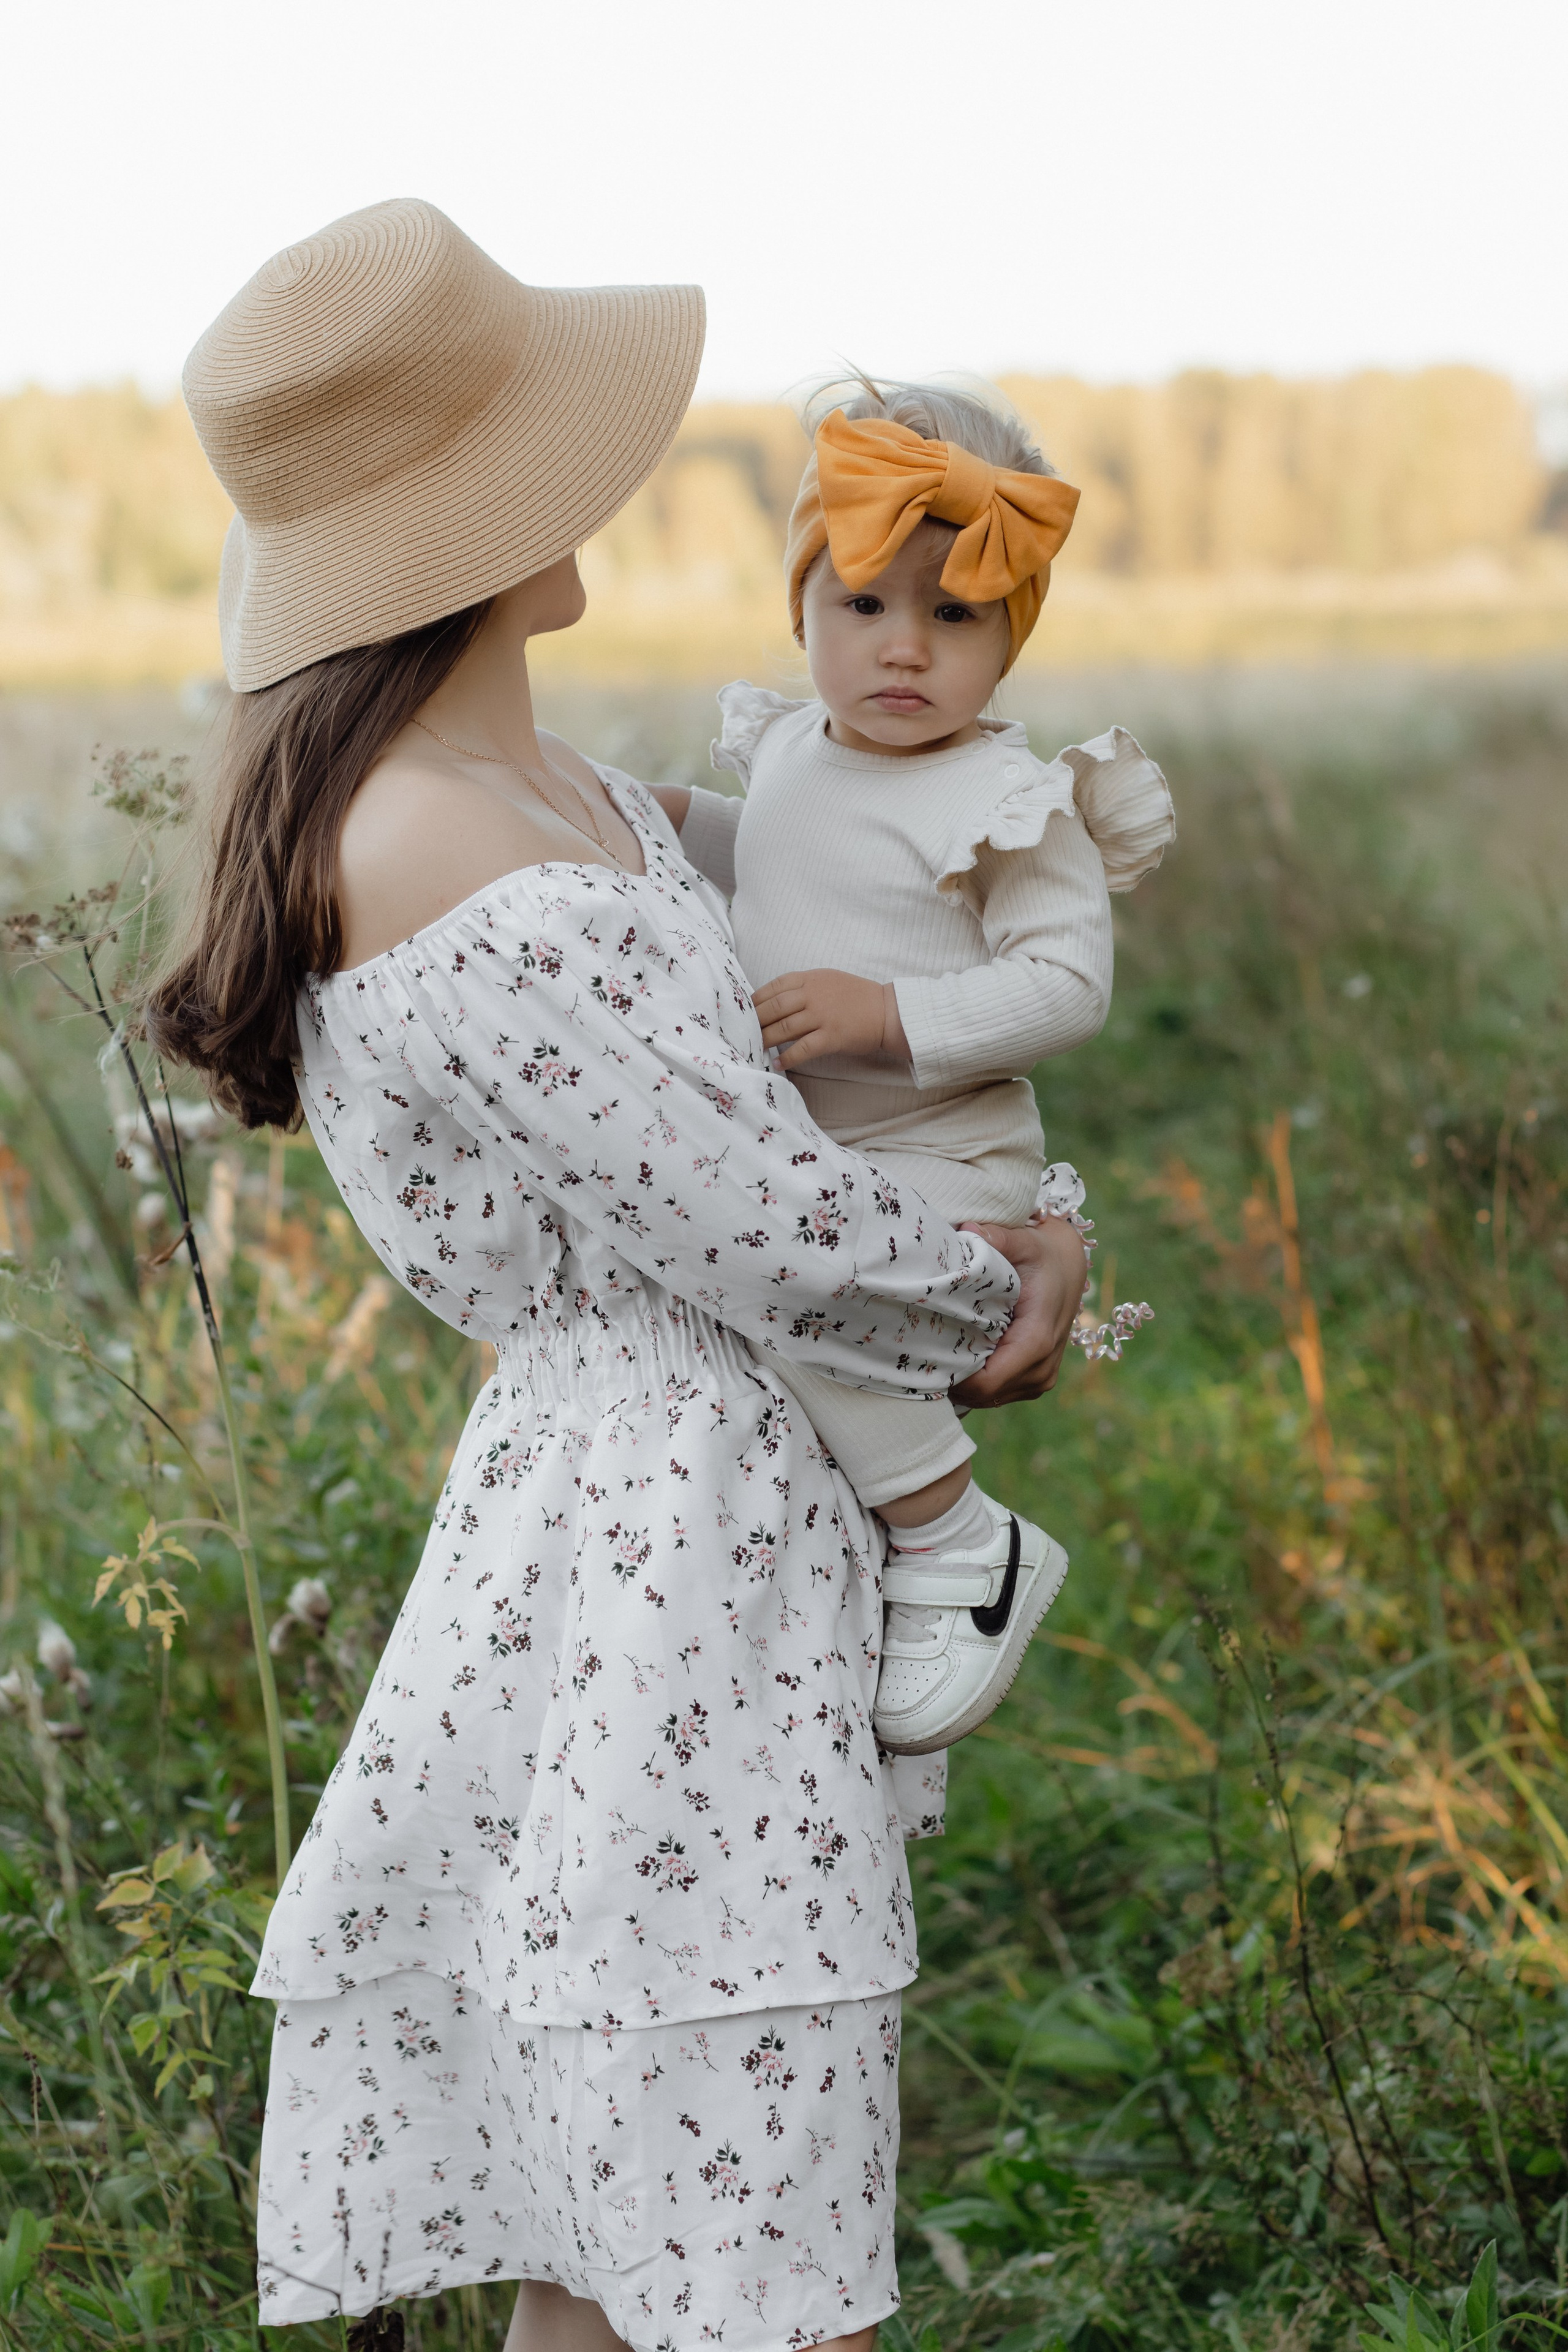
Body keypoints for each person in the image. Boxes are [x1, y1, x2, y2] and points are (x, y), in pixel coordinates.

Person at [148, 200, 1088, 2351]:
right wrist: (1008, 1284)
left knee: (629, 2198)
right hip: (661, 1538)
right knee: (752, 2242)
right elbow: (746, 1218)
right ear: (476, 519)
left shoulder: (520, 779)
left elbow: (775, 970)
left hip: (656, 1517)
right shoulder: (436, 836)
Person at [653, 379, 1173, 1756]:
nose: (902, 651)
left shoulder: (1007, 803)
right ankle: (863, 1564)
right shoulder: (790, 752)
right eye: (864, 606)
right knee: (773, 1290)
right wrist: (662, 823)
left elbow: (1065, 986)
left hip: (944, 1147)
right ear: (801, 610)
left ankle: (954, 1537)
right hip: (820, 1145)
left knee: (801, 1280)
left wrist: (890, 1016)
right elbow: (769, 852)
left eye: (954, 618)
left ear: (1011, 636)